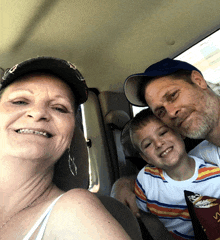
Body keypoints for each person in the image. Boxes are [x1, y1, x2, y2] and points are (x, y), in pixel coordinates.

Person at [0, 56, 131, 240]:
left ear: (71, 134)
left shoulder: (74, 211)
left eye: (59, 108)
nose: (38, 113)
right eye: (20, 101)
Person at [111, 58, 220, 217]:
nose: (170, 112)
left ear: (198, 80)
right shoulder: (204, 157)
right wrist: (121, 185)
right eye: (160, 111)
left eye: (173, 96)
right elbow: (171, 173)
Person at [129, 107, 220, 240]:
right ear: (146, 158)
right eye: (148, 144)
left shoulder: (215, 175)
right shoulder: (146, 180)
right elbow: (146, 216)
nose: (159, 143)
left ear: (180, 133)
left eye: (163, 133)